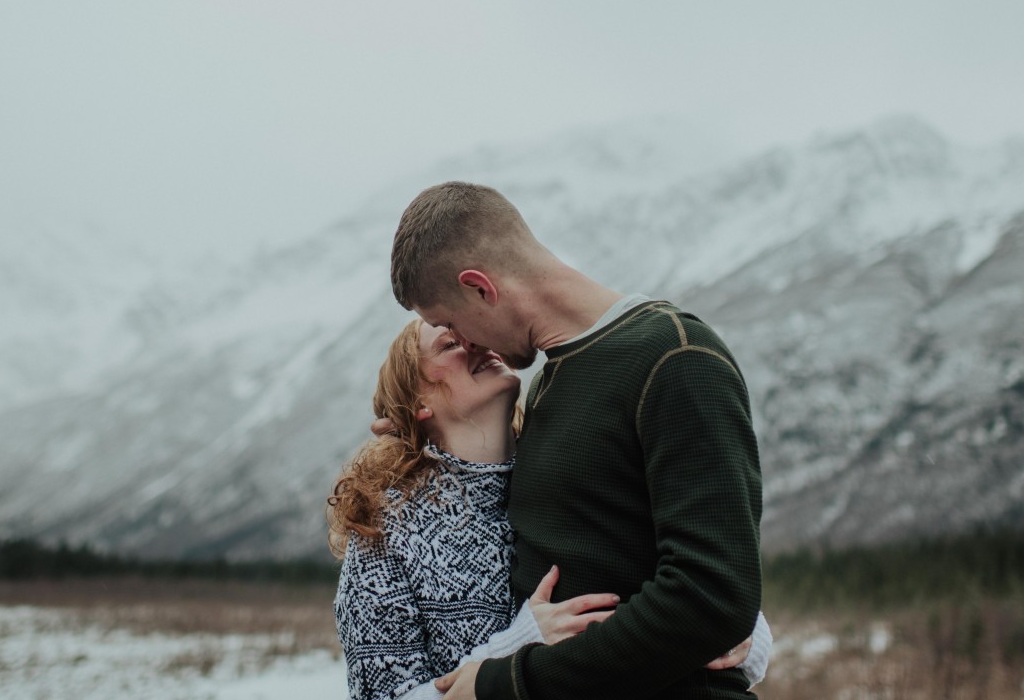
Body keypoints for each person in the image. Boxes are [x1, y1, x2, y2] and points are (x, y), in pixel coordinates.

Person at [389, 181, 765, 700]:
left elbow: (713, 594)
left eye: (449, 323)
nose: (467, 344)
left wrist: (507, 684)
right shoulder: (545, 384)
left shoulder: (675, 357)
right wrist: (405, 441)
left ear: (481, 287)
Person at [329, 319, 771, 700]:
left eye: (472, 334)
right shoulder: (385, 531)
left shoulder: (573, 474)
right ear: (418, 404)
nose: (474, 344)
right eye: (449, 344)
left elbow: (668, 587)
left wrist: (745, 631)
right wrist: (521, 644)